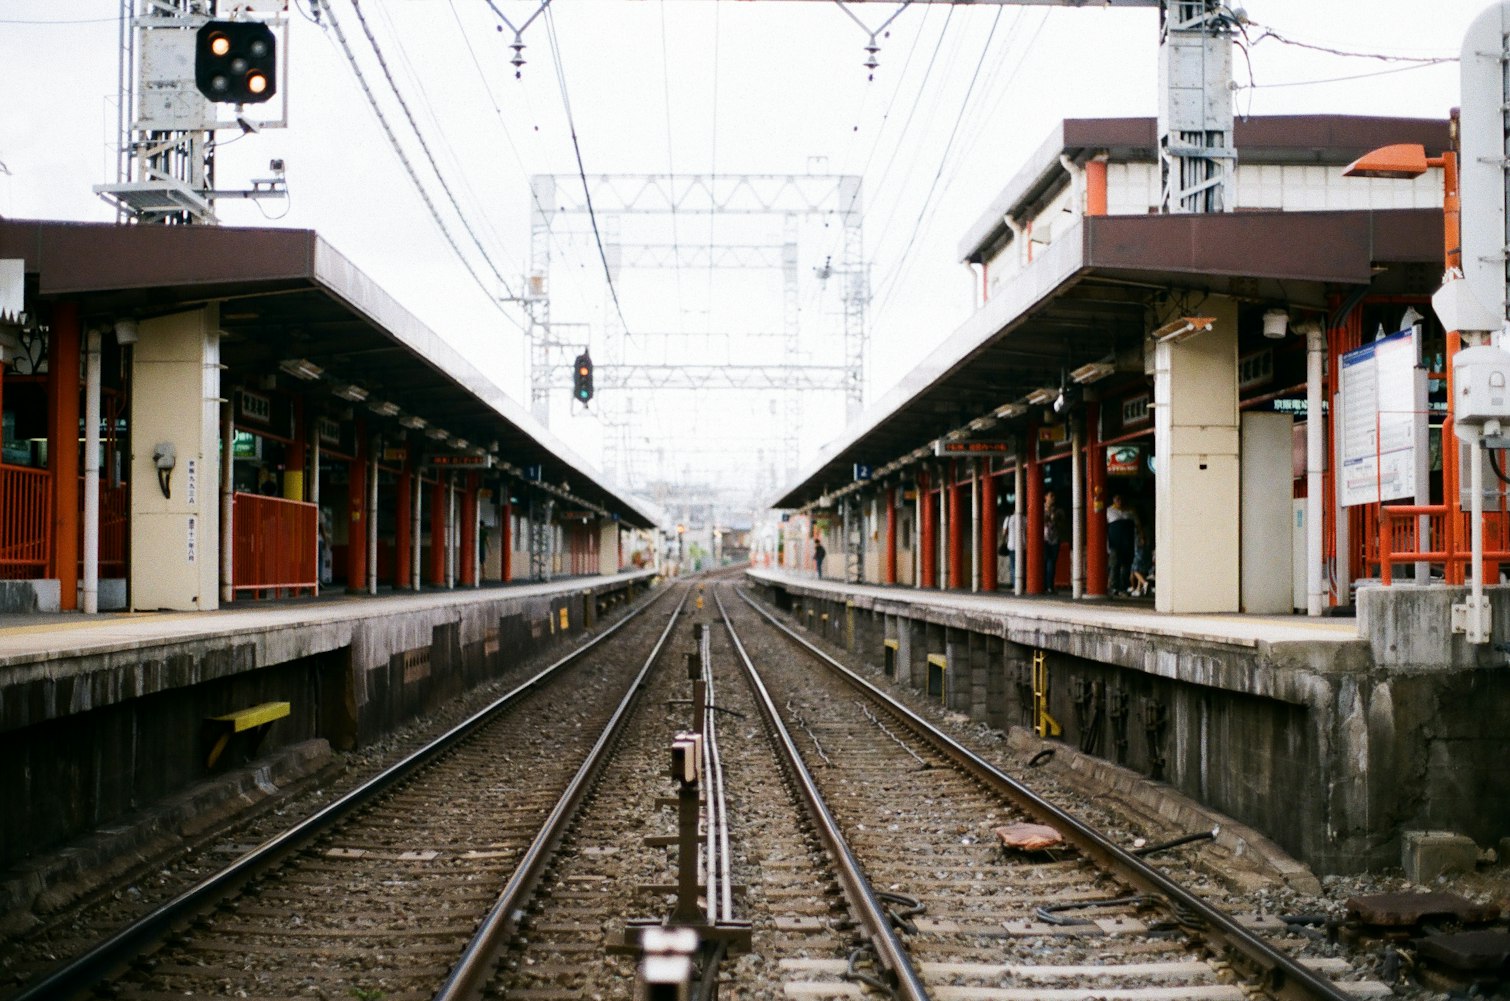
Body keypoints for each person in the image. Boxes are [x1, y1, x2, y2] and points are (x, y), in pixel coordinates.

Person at [1105, 494, 1136, 595]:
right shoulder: (1109, 511)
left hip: (1128, 543)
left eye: (1121, 499)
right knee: (1114, 565)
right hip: (1114, 543)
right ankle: (1114, 587)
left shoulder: (1130, 512)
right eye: (1117, 499)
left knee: (1126, 566)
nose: (1120, 501)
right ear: (1113, 500)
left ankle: (1123, 587)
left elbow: (1137, 524)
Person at [1042, 490, 1067, 594]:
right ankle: (1046, 585)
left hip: (1055, 539)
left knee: (1052, 562)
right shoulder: (1041, 509)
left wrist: (1055, 519)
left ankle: (1050, 585)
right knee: (1046, 562)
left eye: (1054, 496)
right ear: (1045, 497)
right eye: (1051, 496)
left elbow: (1063, 524)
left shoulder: (1058, 511)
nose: (1053, 498)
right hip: (1044, 539)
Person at [999, 504, 1019, 583]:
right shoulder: (1025, 518)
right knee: (1021, 565)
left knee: (1013, 566)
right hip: (1023, 546)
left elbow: (1004, 532)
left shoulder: (1009, 519)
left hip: (1011, 545)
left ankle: (1015, 584)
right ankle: (1022, 584)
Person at [1130, 528, 1153, 597]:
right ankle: (1138, 589)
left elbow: (1142, 540)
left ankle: (1144, 583)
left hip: (1140, 552)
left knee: (1135, 570)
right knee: (1140, 571)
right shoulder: (1148, 530)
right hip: (1146, 551)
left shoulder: (1140, 530)